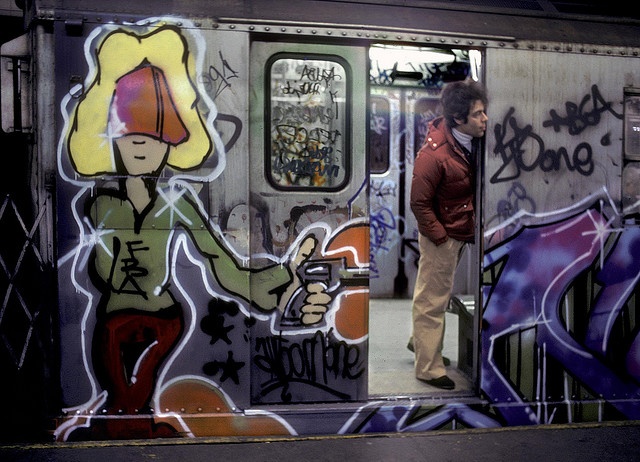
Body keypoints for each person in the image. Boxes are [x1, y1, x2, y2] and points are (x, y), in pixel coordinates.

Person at [409, 79, 488, 390]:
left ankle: (420, 343)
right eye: (479, 114)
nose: (485, 120)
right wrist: (441, 237)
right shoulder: (434, 154)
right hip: (441, 234)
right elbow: (419, 202)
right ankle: (428, 368)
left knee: (432, 292)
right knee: (432, 298)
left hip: (457, 229)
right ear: (459, 119)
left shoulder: (471, 140)